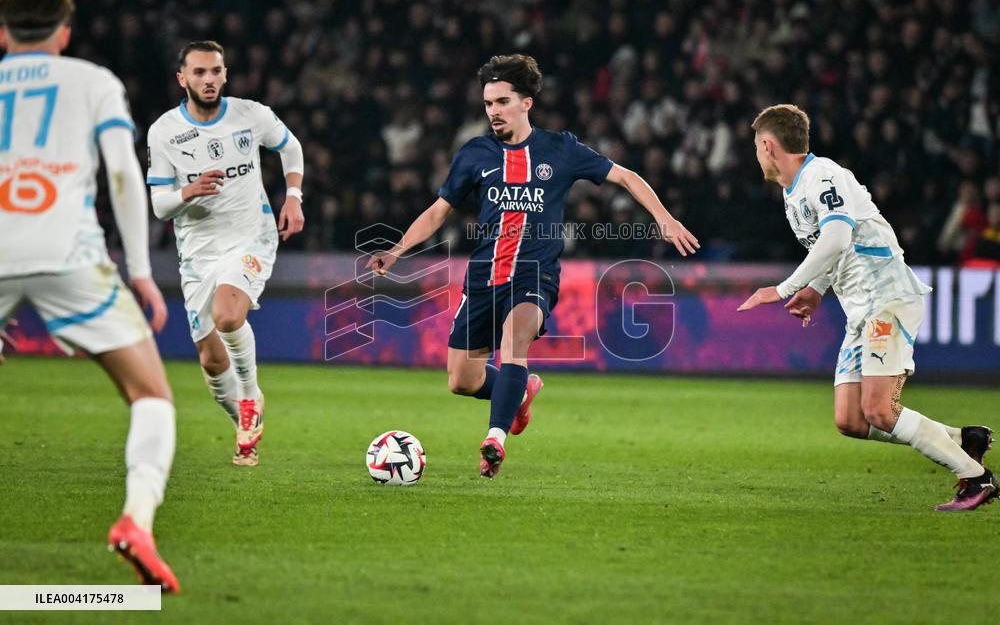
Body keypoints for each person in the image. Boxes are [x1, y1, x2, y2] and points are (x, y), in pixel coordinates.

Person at [367, 54, 698, 478]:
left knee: (513, 341)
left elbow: (627, 176)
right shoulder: (475, 154)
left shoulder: (560, 149)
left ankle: (495, 441)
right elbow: (437, 212)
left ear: (526, 103)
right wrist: (395, 251)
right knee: (461, 380)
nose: (493, 112)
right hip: (484, 276)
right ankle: (522, 390)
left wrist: (664, 219)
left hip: (535, 274)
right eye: (488, 103)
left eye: (502, 102)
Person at [0, 0, 179, 591]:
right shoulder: (93, 81)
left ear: (2, 33)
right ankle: (136, 522)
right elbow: (124, 172)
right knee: (151, 395)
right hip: (69, 253)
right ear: (65, 34)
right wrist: (137, 271)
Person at [737, 104, 996, 511]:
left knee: (879, 408)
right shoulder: (793, 193)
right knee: (851, 420)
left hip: (886, 298)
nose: (756, 155)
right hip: (860, 311)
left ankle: (975, 478)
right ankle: (965, 440)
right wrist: (818, 290)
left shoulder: (823, 175)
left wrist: (786, 287)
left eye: (756, 146)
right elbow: (835, 246)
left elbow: (838, 237)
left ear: (768, 145)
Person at [146, 40, 305, 467]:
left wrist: (293, 196)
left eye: (216, 71)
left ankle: (251, 395)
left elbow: (290, 147)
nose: (209, 79)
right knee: (212, 361)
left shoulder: (249, 115)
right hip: (198, 251)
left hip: (251, 235)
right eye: (199, 72)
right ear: (183, 79)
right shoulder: (164, 132)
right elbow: (160, 204)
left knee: (229, 314)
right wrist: (187, 191)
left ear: (225, 73)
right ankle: (244, 422)